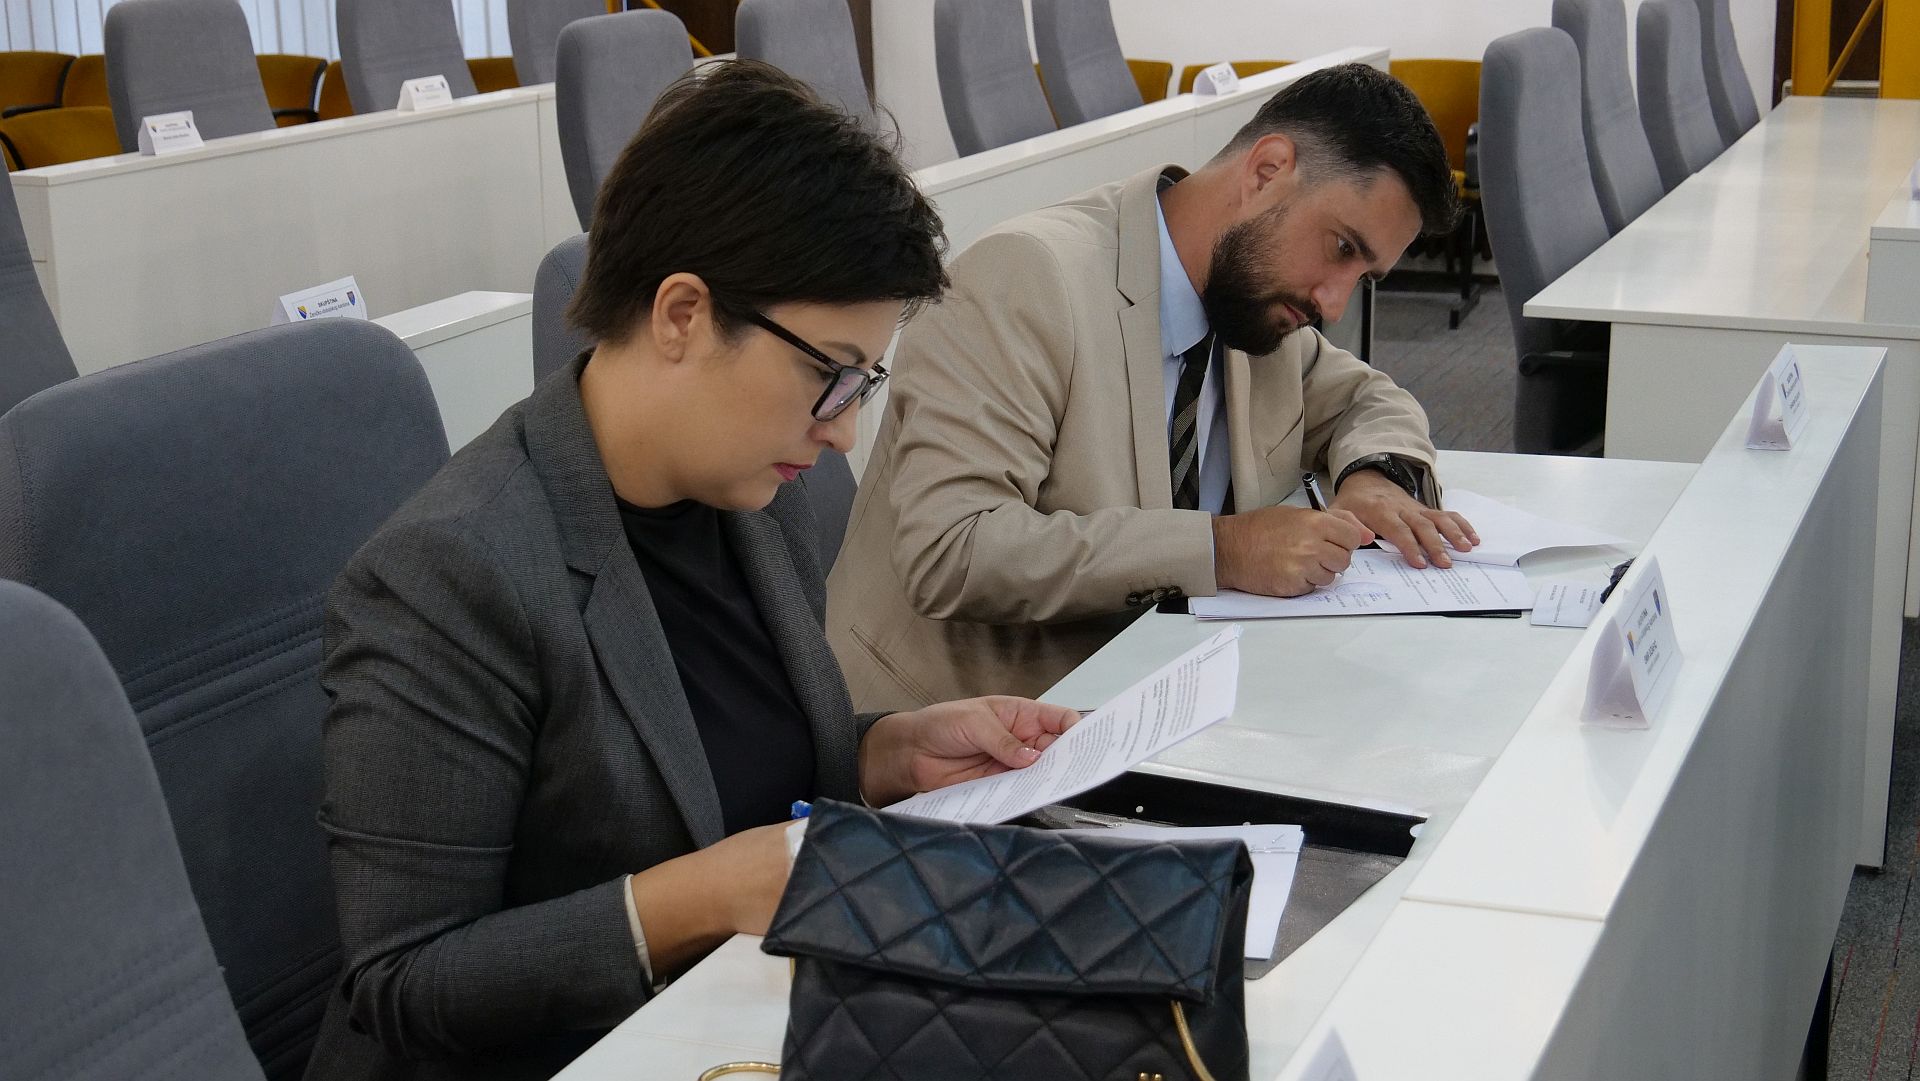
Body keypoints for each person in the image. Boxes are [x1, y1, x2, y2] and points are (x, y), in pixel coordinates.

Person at [304, 62, 1076, 1081]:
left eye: (863, 383)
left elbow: (717, 765)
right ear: (681, 314)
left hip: (746, 1018)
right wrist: (698, 897)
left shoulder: (754, 493)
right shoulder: (452, 573)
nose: (844, 432)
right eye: (829, 374)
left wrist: (886, 754)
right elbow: (405, 982)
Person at [828, 63, 1481, 710]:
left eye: (1363, 276)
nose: (1334, 304)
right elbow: (953, 549)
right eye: (1341, 248)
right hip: (963, 727)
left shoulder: (1255, 305)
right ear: (1266, 172)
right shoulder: (1026, 278)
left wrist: (1375, 477)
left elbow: (1370, 399)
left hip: (1166, 701)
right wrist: (1222, 549)